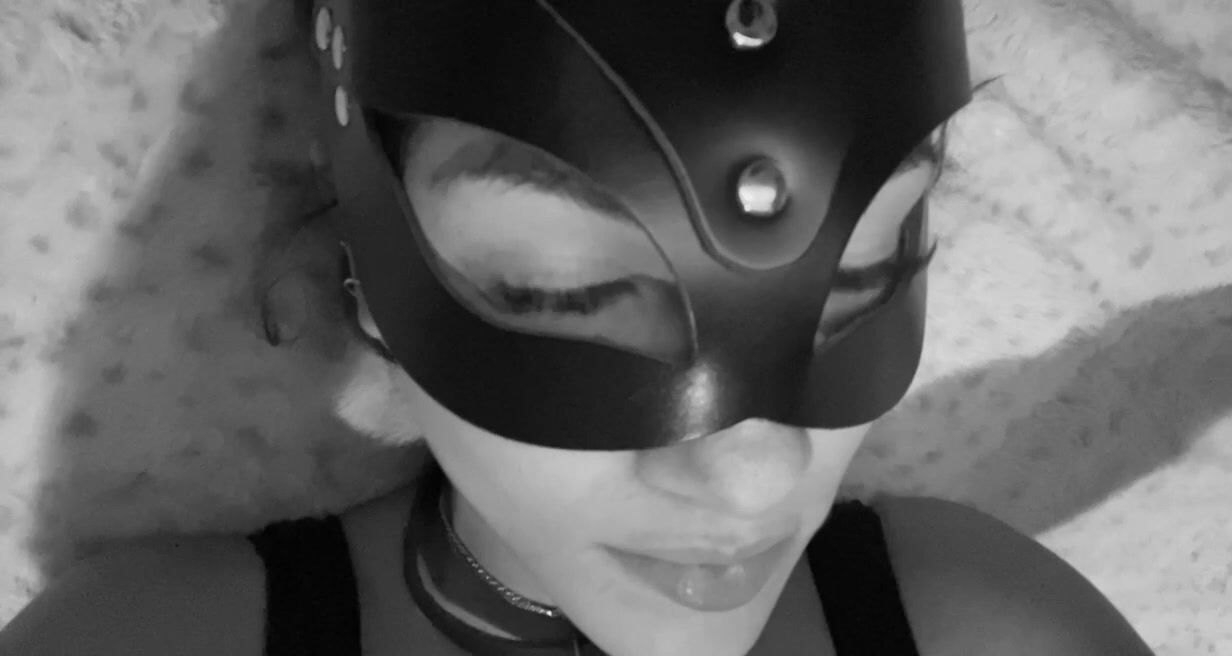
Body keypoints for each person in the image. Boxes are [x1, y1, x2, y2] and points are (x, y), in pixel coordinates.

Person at [0, 1, 1156, 655]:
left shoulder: (988, 630)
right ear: (359, 258)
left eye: (861, 274)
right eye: (565, 296)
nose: (751, 473)